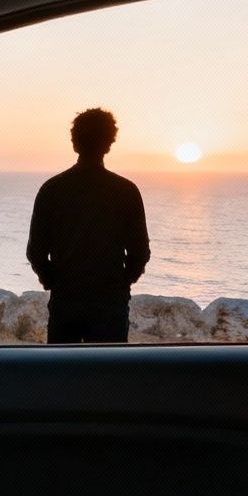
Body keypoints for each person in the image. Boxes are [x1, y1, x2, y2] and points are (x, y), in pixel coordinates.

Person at [25, 107, 150, 343]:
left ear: (74, 142)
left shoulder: (52, 190)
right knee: (107, 375)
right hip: (109, 303)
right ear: (109, 143)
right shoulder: (126, 191)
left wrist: (53, 281)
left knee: (64, 373)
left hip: (66, 300)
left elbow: (36, 253)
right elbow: (140, 253)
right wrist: (121, 285)